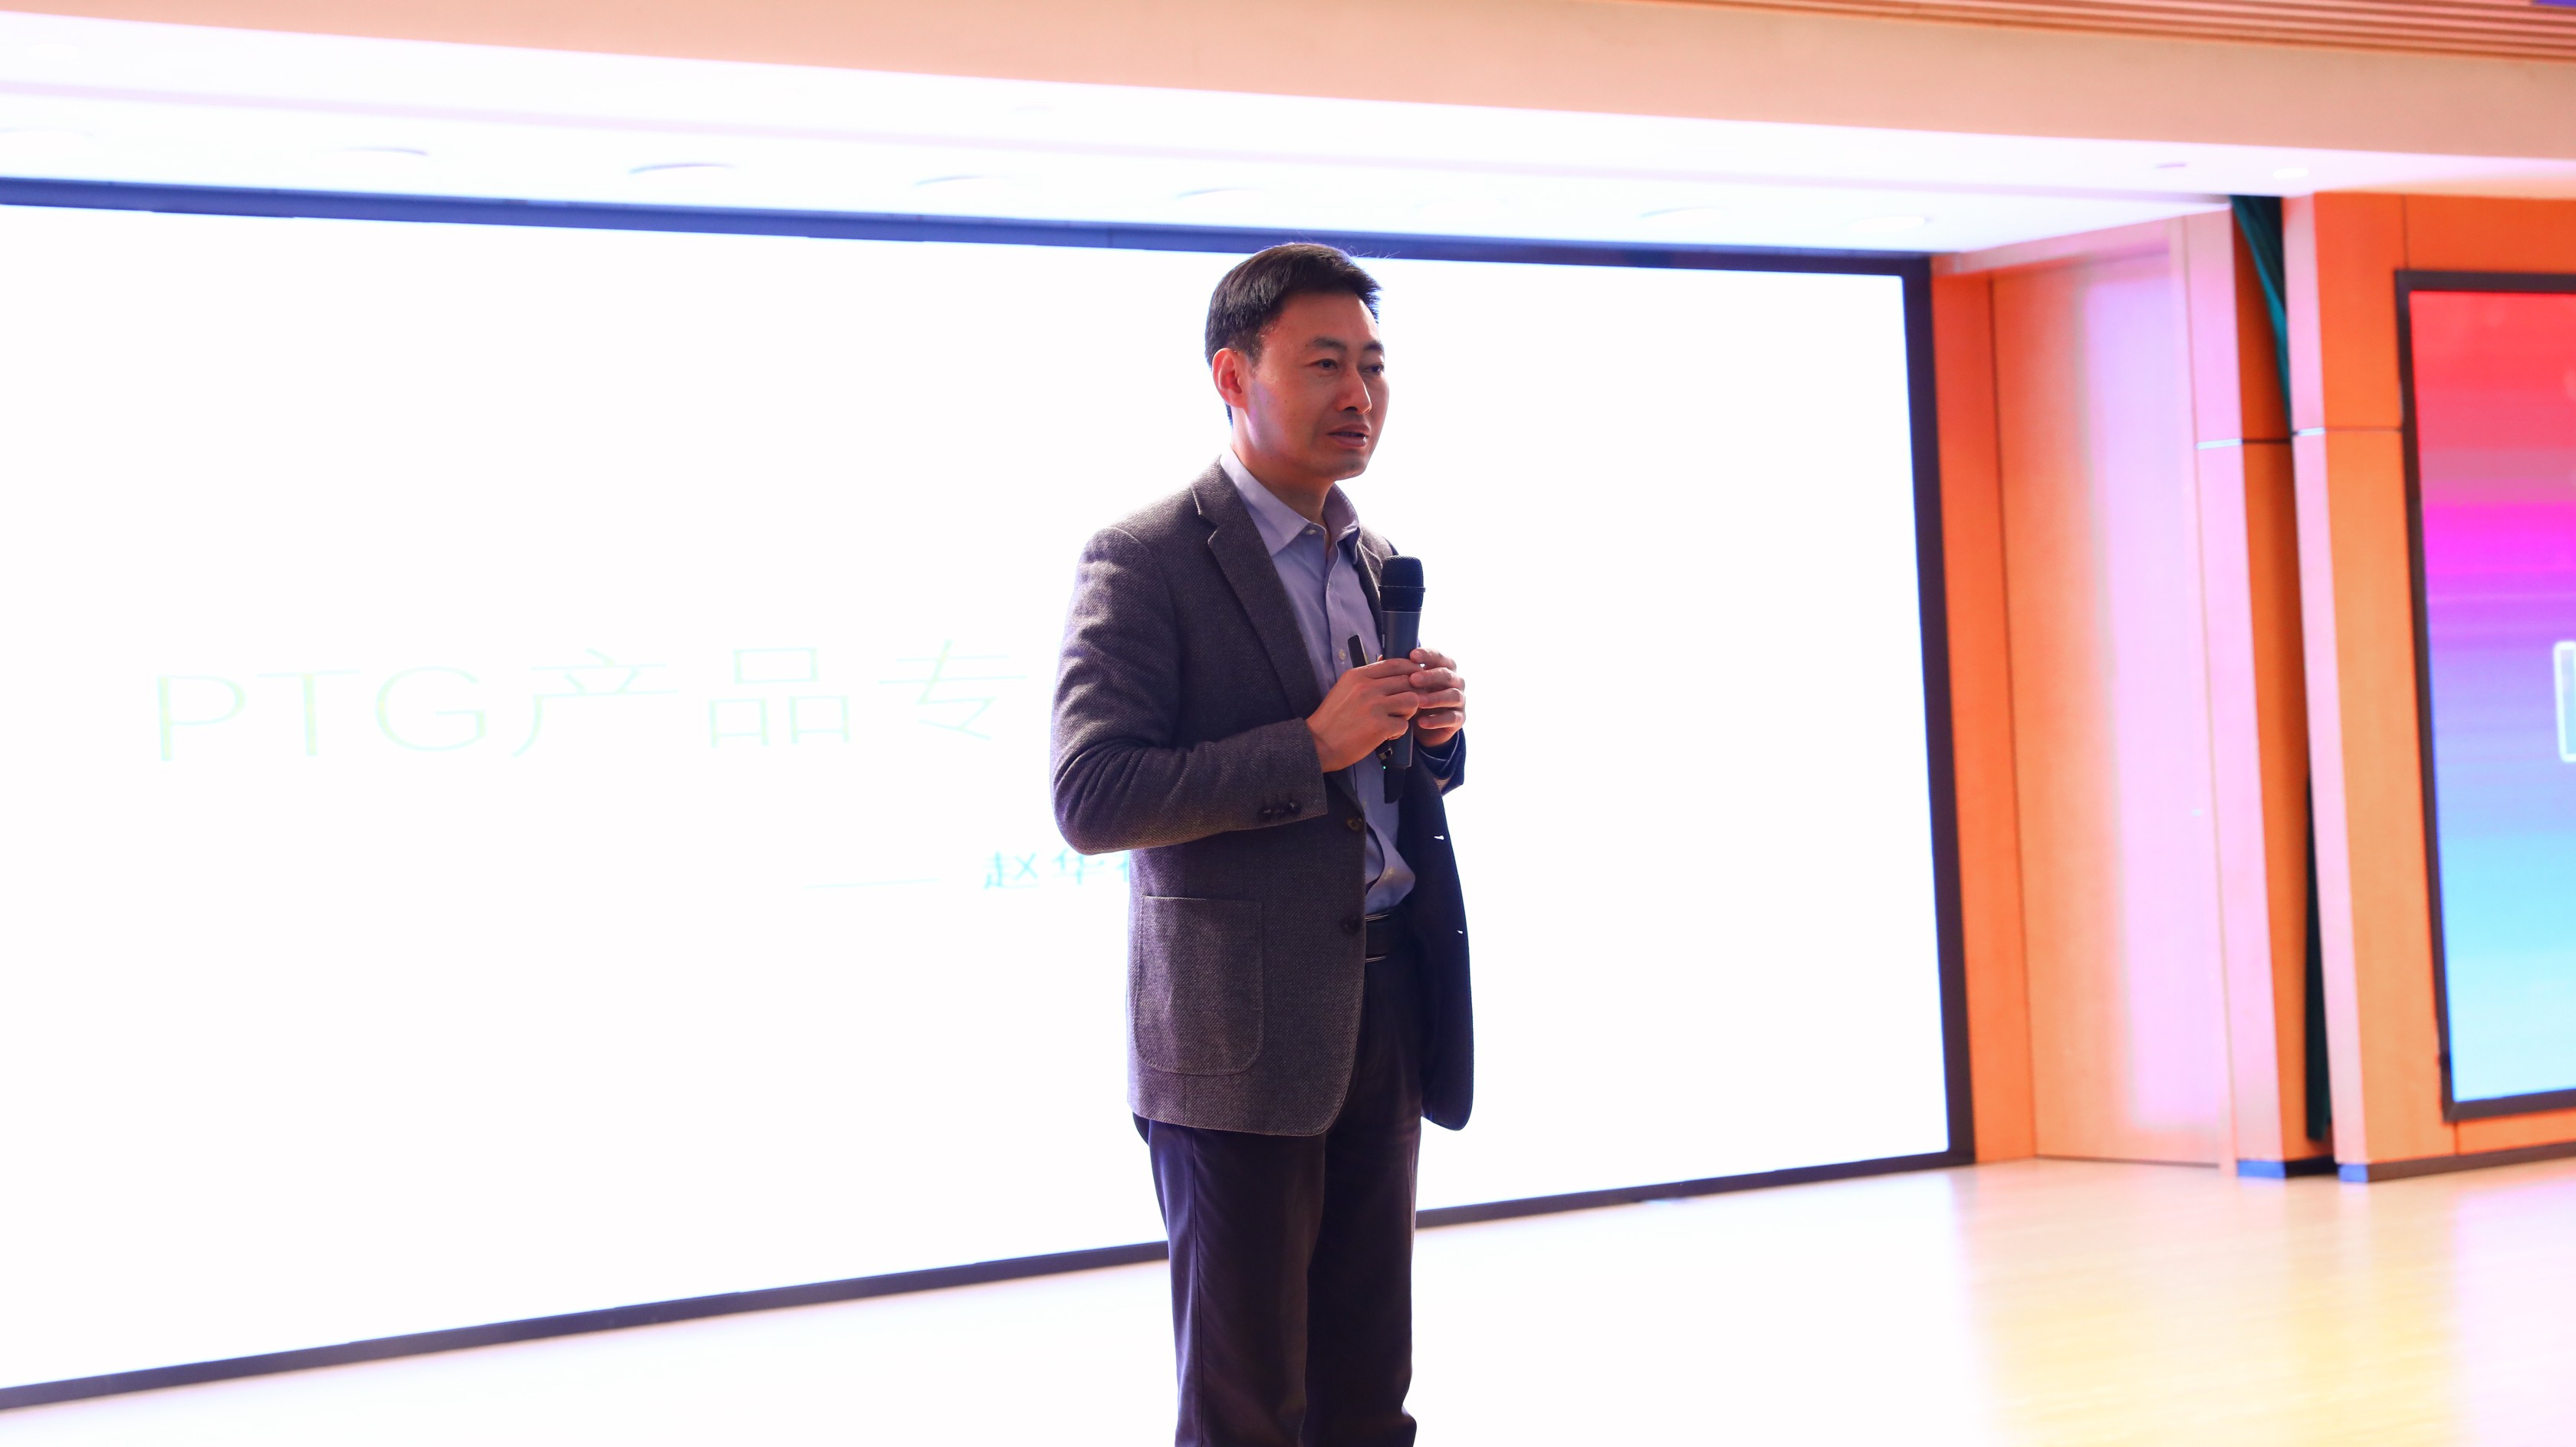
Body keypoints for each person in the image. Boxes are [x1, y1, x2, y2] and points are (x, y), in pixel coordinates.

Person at [1050, 243, 1474, 1447]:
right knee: (1248, 1407)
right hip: (1237, 1040)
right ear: (1234, 377)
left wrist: (1434, 739)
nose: (1361, 394)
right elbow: (1093, 795)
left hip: (1385, 1004)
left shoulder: (1373, 560)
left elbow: (1377, 790)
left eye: (1374, 366)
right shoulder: (1147, 560)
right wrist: (1311, 745)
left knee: (1368, 1392)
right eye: (1325, 364)